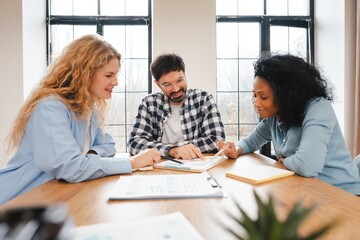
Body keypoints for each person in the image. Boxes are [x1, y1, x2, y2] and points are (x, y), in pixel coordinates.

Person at [0, 34, 161, 205]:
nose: (115, 82)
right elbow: (70, 168)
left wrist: (86, 158)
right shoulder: (50, 108)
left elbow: (108, 145)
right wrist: (132, 162)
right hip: (17, 200)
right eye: (108, 75)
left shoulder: (86, 108)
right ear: (84, 73)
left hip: (53, 194)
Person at [218, 53, 360, 195]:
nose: (256, 103)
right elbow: (250, 142)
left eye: (263, 97)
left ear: (285, 94)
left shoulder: (318, 108)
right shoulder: (275, 117)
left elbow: (307, 165)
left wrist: (284, 162)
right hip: (309, 191)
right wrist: (235, 149)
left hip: (345, 195)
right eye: (255, 95)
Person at [128, 53, 225, 160]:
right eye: (167, 84)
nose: (175, 89)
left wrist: (176, 148)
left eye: (179, 80)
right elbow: (134, 143)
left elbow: (217, 140)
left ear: (185, 75)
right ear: (157, 84)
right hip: (161, 167)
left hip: (197, 166)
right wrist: (172, 151)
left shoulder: (204, 99)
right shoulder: (149, 103)